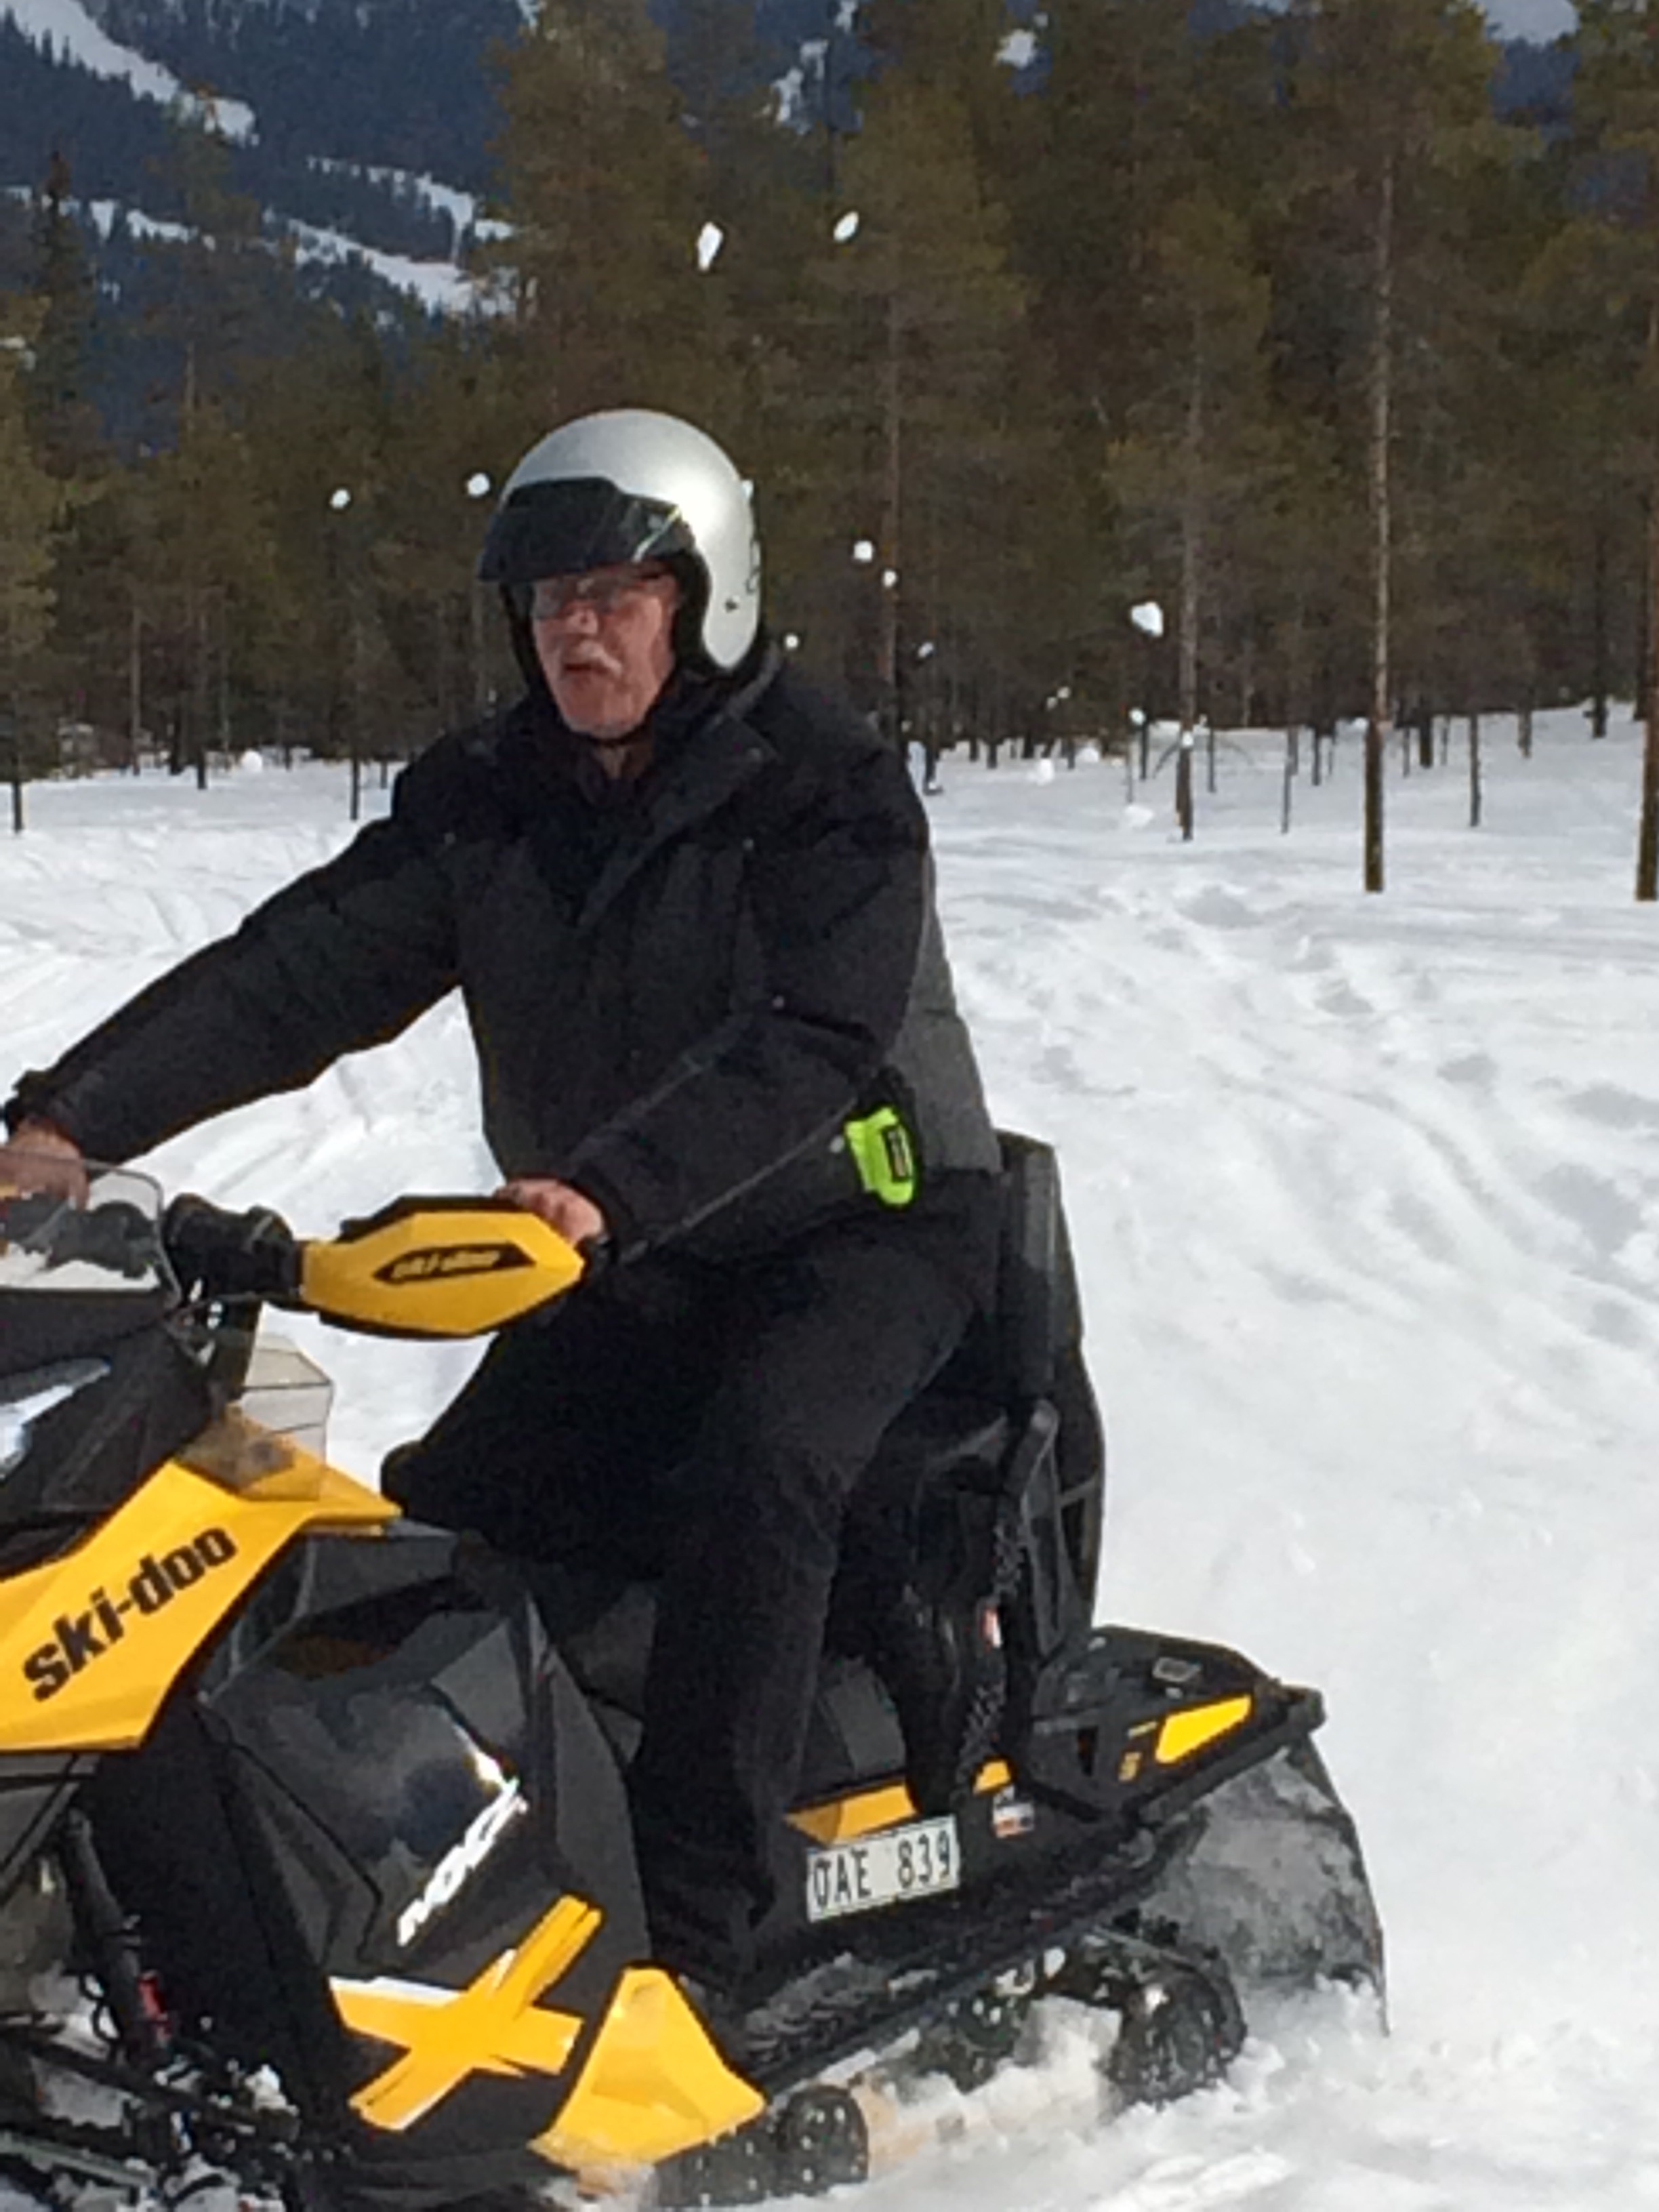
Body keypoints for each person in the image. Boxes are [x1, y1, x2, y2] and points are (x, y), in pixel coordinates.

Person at [0, 408, 1004, 2001]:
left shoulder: (827, 789)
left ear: (708, 596)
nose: (575, 633)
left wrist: (606, 1191)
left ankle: (697, 1939)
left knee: (763, 1465)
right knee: (449, 1535)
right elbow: (299, 973)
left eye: (614, 595)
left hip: (859, 1231)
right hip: (627, 1255)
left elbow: (811, 1039)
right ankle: (448, 1901)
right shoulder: (495, 798)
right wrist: (71, 1121)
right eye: (548, 603)